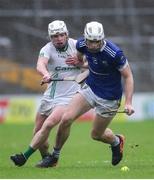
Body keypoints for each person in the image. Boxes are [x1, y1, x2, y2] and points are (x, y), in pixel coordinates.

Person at [10, 20, 118, 167]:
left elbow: (91, 64)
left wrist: (80, 64)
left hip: (69, 97)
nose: (59, 38)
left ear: (66, 34)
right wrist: (45, 73)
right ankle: (47, 159)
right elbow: (40, 64)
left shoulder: (78, 45)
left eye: (61, 35)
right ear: (50, 37)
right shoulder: (47, 49)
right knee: (37, 130)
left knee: (48, 125)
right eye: (54, 36)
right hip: (51, 94)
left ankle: (24, 156)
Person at [36, 21, 134, 168]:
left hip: (109, 97)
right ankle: (54, 156)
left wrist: (128, 102)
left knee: (96, 135)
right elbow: (82, 59)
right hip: (90, 88)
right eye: (90, 41)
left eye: (96, 42)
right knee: (66, 119)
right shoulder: (81, 44)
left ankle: (116, 141)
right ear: (85, 38)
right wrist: (80, 62)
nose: (93, 45)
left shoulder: (115, 54)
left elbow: (128, 76)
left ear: (102, 39)